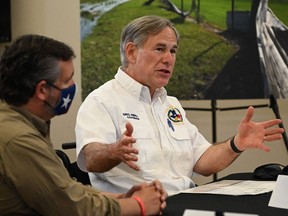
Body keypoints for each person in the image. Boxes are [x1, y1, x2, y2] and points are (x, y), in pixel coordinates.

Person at [75, 15, 284, 196]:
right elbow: (89, 159)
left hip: (186, 200)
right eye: (160, 49)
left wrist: (237, 143)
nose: (169, 59)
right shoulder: (101, 100)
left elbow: (202, 162)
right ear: (131, 52)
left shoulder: (170, 104)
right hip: (139, 208)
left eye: (173, 51)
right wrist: (113, 151)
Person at [0, 34, 167, 215]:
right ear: (42, 90)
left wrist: (122, 197)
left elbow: (66, 189)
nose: (73, 86)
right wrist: (139, 205)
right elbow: (72, 208)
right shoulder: (18, 139)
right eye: (67, 80)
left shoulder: (23, 123)